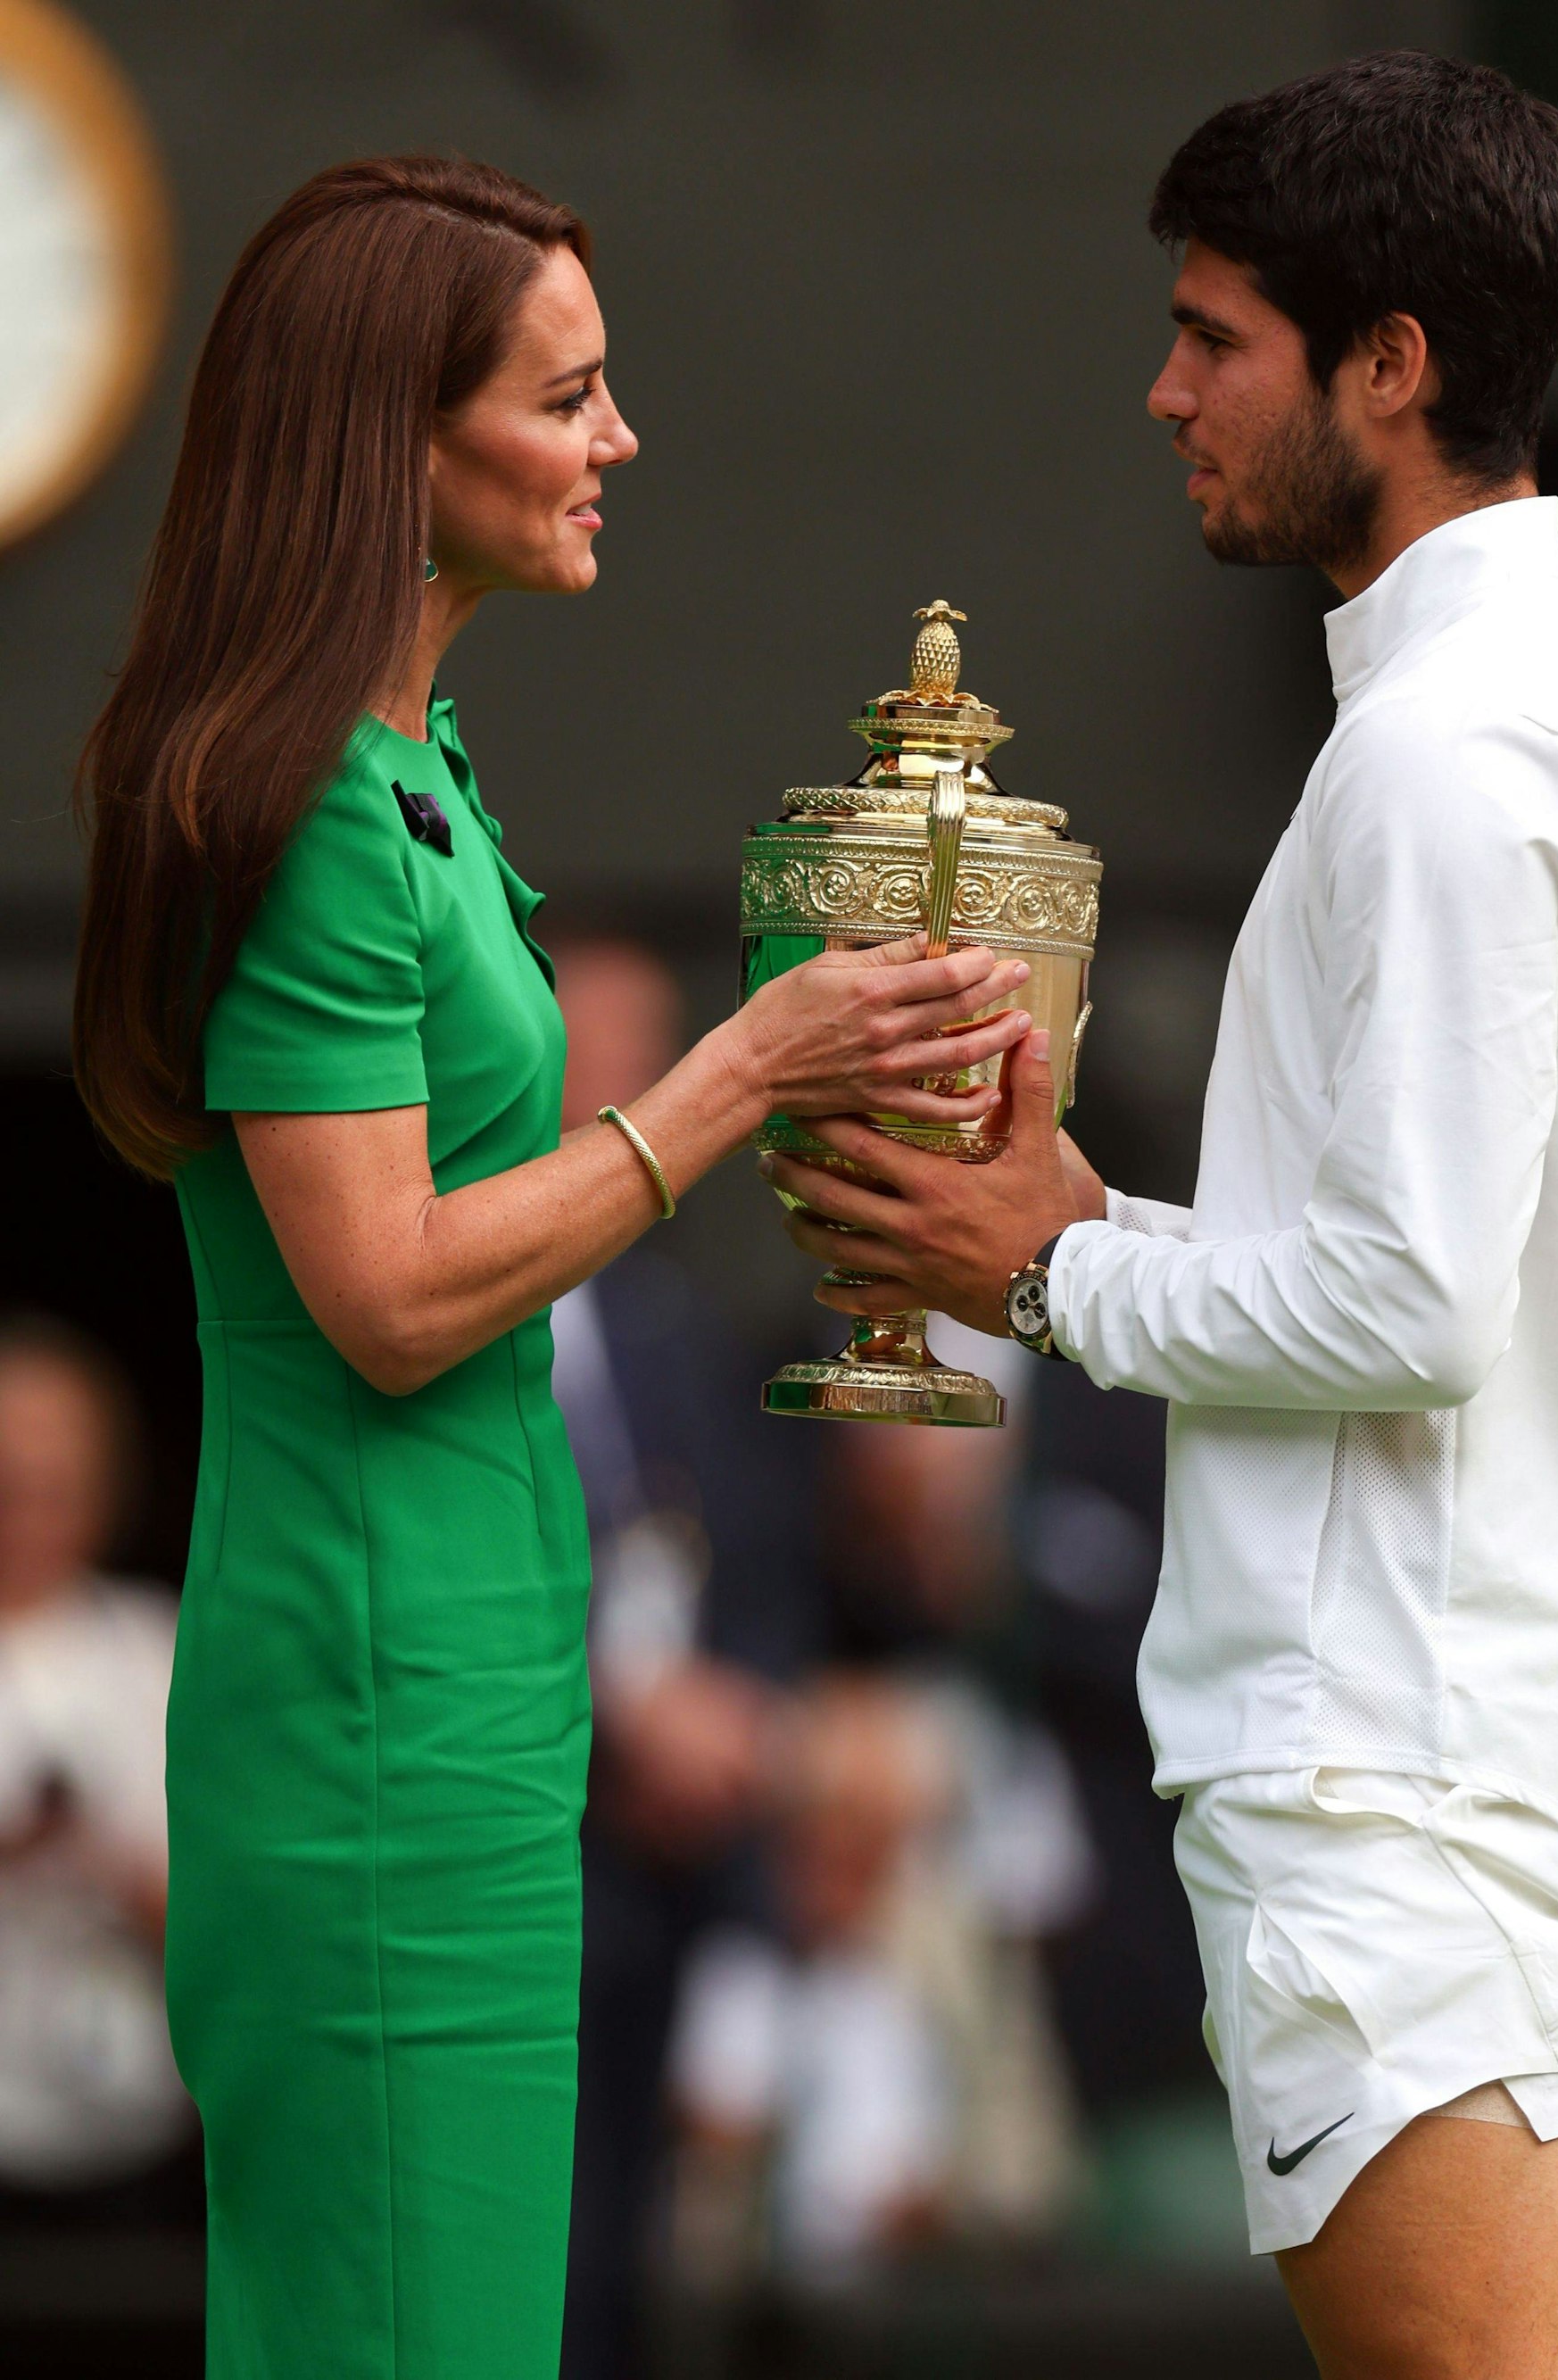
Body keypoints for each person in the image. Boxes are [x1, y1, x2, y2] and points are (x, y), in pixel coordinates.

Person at [766, 54, 1558, 2380]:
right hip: (1416, 1766)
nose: (1166, 387)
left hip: (1397, 1788)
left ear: (1388, 365)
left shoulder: (1452, 749)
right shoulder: (1492, 707)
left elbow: (1410, 1300)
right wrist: (1089, 1206)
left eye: (1219, 336)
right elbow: (1400, 1246)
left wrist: (1043, 1265)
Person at [68, 156, 1036, 2380]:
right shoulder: (306, 793)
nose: (621, 439)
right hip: (375, 1709)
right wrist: (729, 1076)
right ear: (391, 434)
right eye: (568, 394)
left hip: (474, 1698)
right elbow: (388, 1291)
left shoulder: (414, 762)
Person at [550, 935, 800, 2380]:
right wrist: (626, 1719)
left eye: (656, 1043)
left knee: (650, 2265)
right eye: (603, 1039)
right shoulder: (439, 1291)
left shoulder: (671, 1320)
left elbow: (757, 1561)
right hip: (530, 1852)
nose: (633, 1079)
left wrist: (738, 1728)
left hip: (684, 1879)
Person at [0, 1316, 190, 2209]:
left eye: (57, 1486)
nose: (29, 1514)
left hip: (146, 2148)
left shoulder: (161, 1653)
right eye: (7, 1486)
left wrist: (131, 1886)